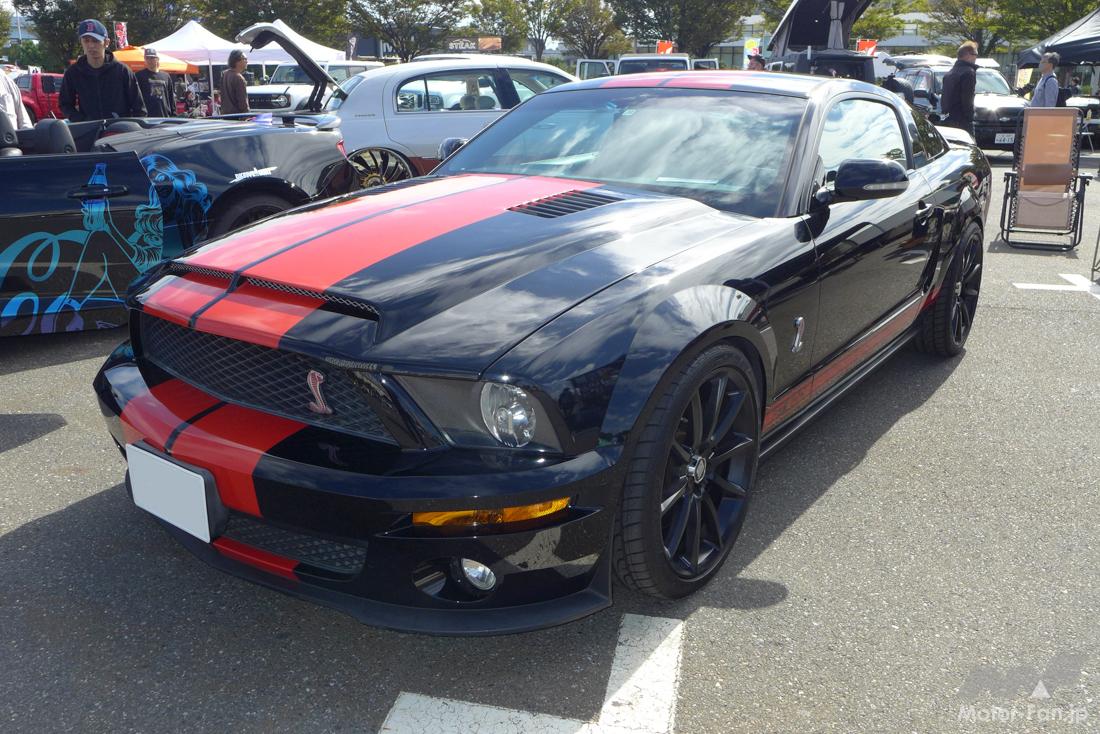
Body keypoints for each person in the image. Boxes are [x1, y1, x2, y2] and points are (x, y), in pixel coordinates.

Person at [58, 19, 146, 121]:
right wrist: (82, 121)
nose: (91, 45)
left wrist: (128, 126)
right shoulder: (73, 73)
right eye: (86, 40)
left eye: (95, 40)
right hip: (89, 130)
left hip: (120, 129)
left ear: (106, 42)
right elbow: (65, 104)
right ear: (81, 42)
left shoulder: (122, 71)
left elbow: (139, 108)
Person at [940, 42, 978, 135]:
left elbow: (944, 98)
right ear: (968, 55)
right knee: (968, 143)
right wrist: (970, 118)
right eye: (975, 54)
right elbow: (967, 99)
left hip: (949, 119)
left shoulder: (950, 73)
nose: (976, 57)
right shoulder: (968, 72)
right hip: (962, 121)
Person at [135, 48, 176, 117]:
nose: (149, 60)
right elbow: (136, 97)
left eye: (152, 58)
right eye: (147, 58)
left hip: (165, 116)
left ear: (157, 59)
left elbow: (171, 97)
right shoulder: (139, 76)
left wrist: (173, 114)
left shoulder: (166, 76)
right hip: (147, 118)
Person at [219, 49, 249, 115]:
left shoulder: (224, 74)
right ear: (237, 61)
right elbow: (243, 103)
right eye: (245, 59)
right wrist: (247, 116)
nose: (247, 61)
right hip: (236, 117)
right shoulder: (239, 78)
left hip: (225, 115)